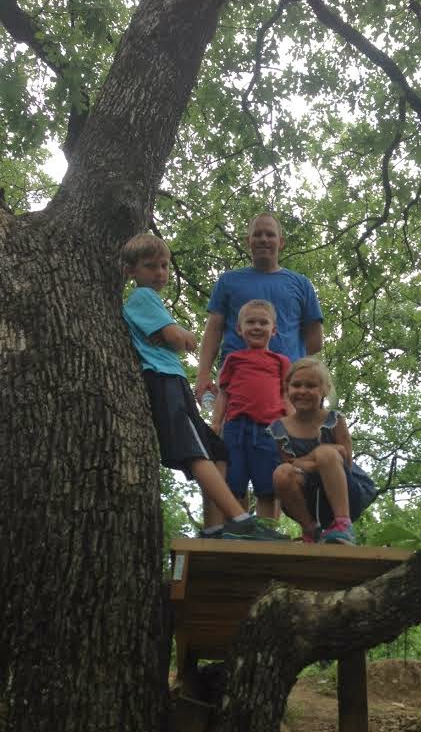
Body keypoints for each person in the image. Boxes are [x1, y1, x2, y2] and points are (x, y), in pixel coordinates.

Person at [121, 232, 287, 541]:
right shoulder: (143, 297)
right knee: (195, 451)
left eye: (164, 265)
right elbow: (178, 339)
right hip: (162, 380)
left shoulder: (150, 300)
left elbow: (178, 338)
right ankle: (240, 519)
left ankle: (214, 526)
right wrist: (183, 335)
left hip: (173, 380)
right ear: (131, 271)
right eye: (150, 266)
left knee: (217, 450)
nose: (160, 273)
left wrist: (180, 336)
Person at [195, 212, 323, 401]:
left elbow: (315, 341)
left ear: (281, 242)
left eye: (270, 234)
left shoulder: (301, 284)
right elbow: (213, 330)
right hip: (236, 381)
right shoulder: (228, 281)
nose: (263, 239)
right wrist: (203, 375)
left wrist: (290, 365)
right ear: (248, 241)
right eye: (257, 234)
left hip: (288, 386)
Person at [268, 358, 378, 545]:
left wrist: (316, 458)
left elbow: (346, 460)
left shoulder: (334, 421)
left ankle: (343, 524)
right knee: (281, 473)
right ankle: (310, 530)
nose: (302, 391)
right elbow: (289, 463)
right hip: (307, 497)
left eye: (311, 386)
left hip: (345, 493)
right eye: (296, 385)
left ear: (325, 390)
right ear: (287, 388)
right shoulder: (280, 428)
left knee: (327, 454)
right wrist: (316, 457)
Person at [211, 299, 292, 520]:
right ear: (239, 329)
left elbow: (287, 395)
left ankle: (267, 530)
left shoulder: (281, 361)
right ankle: (238, 526)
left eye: (263, 323)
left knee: (267, 486)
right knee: (234, 482)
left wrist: (292, 428)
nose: (257, 327)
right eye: (250, 322)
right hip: (236, 428)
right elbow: (224, 394)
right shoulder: (233, 360)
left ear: (273, 330)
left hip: (270, 430)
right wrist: (216, 423)